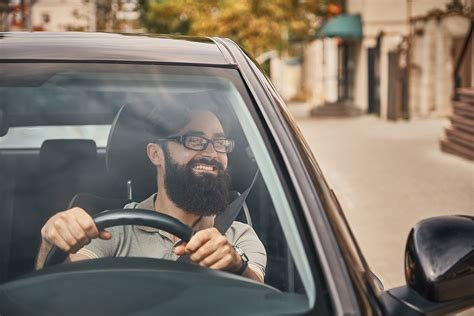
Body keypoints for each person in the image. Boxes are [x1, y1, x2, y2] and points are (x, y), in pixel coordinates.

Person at [35, 107, 266, 283]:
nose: (211, 152)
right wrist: (50, 245)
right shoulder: (112, 229)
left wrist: (235, 266)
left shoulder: (238, 237)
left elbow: (259, 296)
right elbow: (62, 291)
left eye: (220, 142)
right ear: (156, 154)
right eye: (194, 140)